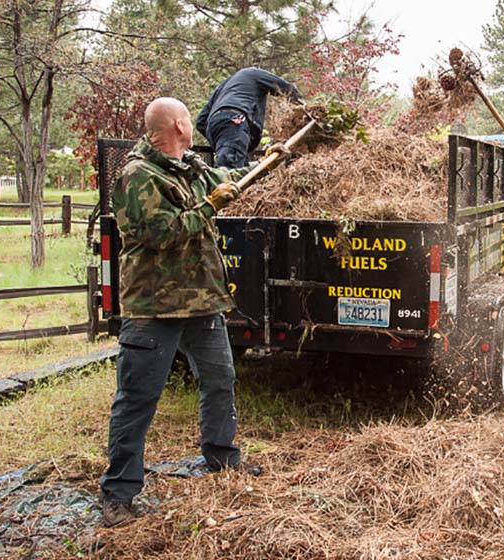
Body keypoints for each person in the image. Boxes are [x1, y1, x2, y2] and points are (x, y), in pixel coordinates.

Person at [100, 97, 283, 527]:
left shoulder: (188, 167)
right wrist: (212, 206)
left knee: (220, 380)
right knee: (137, 399)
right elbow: (160, 232)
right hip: (155, 308)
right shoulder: (138, 176)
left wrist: (268, 163)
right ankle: (119, 493)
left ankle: (221, 458)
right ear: (180, 125)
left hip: (201, 301)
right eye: (188, 121)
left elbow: (227, 178)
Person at [196, 67, 302, 168]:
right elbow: (286, 88)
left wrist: (221, 141)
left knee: (240, 171)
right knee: (230, 169)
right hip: (235, 121)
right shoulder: (253, 73)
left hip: (216, 123)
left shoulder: (224, 85)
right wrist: (302, 108)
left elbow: (201, 122)